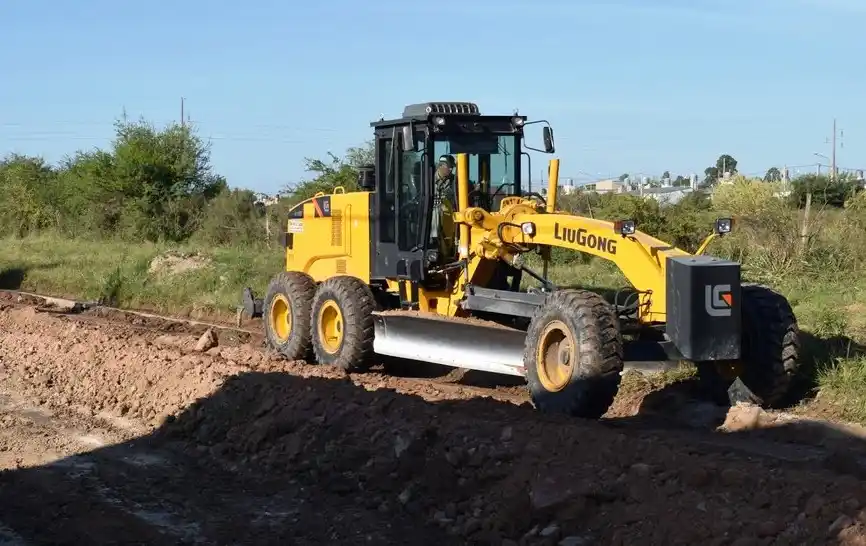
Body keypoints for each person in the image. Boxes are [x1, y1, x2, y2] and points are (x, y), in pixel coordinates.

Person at [431, 155, 457, 261]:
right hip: (435, 212)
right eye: (449, 167)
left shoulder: (454, 181)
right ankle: (434, 243)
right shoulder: (429, 180)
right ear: (441, 166)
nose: (451, 170)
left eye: (452, 168)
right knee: (436, 213)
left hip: (451, 212)